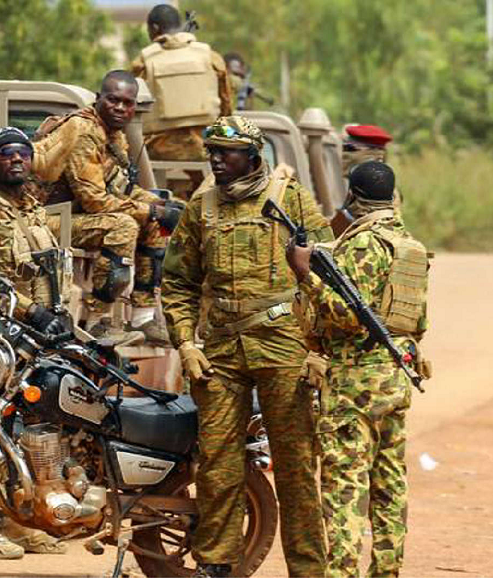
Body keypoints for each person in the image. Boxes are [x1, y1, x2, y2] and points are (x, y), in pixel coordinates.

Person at [160, 115, 328, 578]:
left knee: (295, 466)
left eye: (225, 152)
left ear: (253, 156)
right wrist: (186, 343)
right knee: (217, 464)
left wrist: (318, 347)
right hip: (220, 352)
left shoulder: (289, 199)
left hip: (283, 347)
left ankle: (309, 569)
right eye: (210, 151)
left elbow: (327, 274)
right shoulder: (202, 206)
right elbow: (177, 282)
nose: (215, 159)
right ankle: (217, 563)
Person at [286, 161, 430, 578]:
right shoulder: (407, 243)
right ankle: (386, 570)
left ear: (352, 195)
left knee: (345, 488)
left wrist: (304, 273)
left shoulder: (364, 244)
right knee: (389, 486)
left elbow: (343, 315)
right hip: (393, 377)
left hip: (356, 384)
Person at [0, 127, 70, 559]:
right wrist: (29, 310)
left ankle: (21, 520)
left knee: (32, 433)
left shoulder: (36, 212)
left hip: (40, 339)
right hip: (1, 337)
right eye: (6, 155)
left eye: (23, 153)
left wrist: (56, 316)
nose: (17, 160)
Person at [32, 70, 181, 345]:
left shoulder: (112, 134)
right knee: (124, 226)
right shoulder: (84, 131)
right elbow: (95, 200)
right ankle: (98, 321)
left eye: (127, 103)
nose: (121, 108)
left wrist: (161, 206)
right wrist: (151, 210)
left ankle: (144, 317)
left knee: (158, 219)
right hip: (44, 221)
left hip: (71, 217)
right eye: (114, 100)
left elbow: (120, 189)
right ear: (99, 99)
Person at [130, 4, 234, 198]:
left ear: (154, 28)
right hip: (206, 147)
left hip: (157, 150)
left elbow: (130, 110)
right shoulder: (210, 57)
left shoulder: (142, 62)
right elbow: (227, 106)